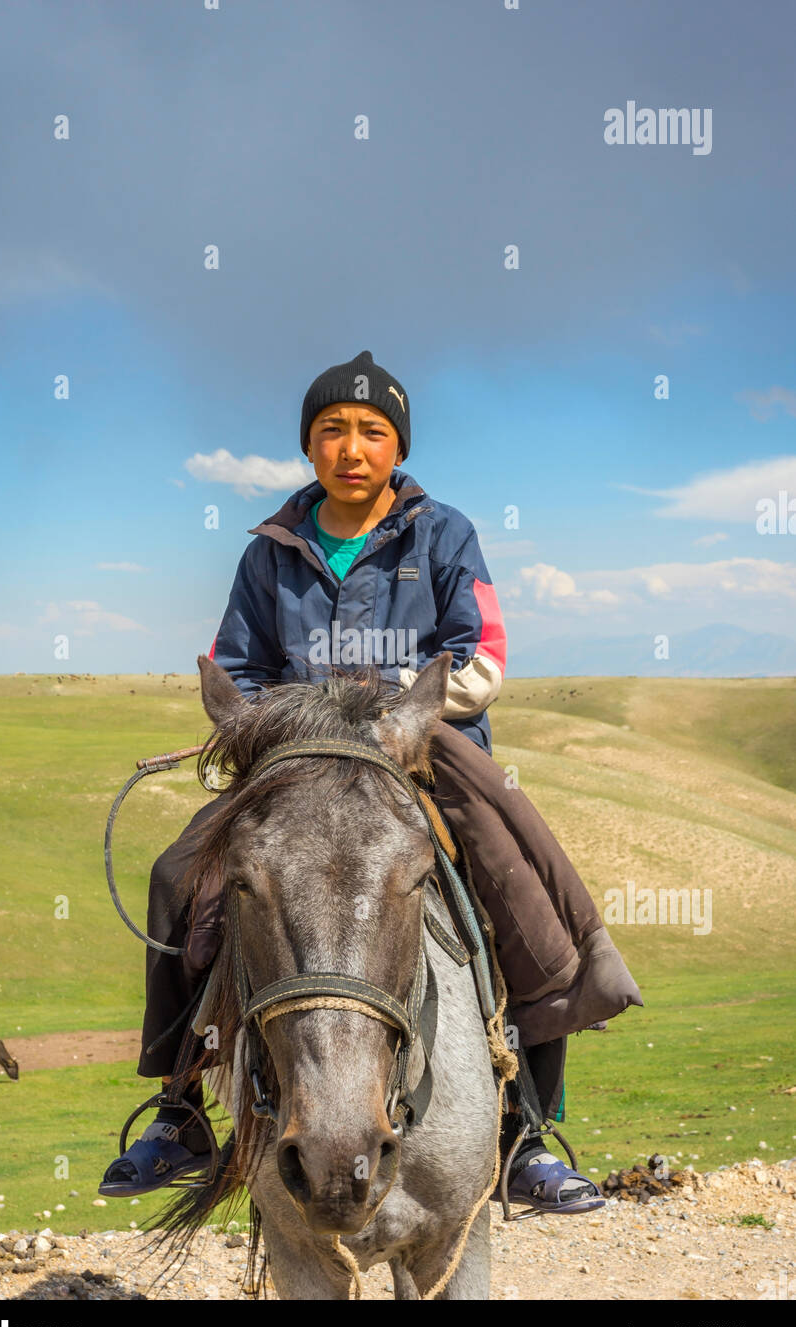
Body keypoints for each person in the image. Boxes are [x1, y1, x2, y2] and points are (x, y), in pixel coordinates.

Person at [99, 349, 642, 1213]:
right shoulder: (271, 551)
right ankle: (179, 1107)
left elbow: (482, 657)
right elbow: (237, 665)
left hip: (421, 743)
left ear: (397, 448)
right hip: (301, 755)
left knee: (517, 877)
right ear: (309, 448)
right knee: (179, 873)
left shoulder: (445, 534)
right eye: (331, 432)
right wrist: (276, 722)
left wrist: (396, 708)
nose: (351, 448)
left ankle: (526, 1131)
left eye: (371, 433)